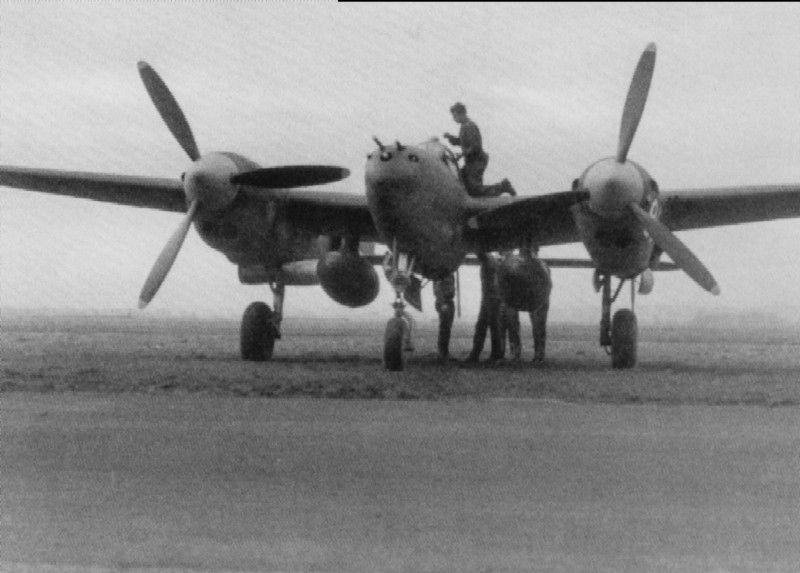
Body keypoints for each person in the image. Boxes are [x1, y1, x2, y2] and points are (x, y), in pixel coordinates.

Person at [444, 102, 516, 198]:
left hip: (476, 161)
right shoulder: (464, 126)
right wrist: (451, 138)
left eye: (455, 115)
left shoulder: (469, 126)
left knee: (475, 191)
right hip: (472, 162)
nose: (454, 118)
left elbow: (475, 146)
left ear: (461, 114)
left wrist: (461, 154)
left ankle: (503, 186)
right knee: (462, 181)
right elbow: (463, 142)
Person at [466, 252, 503, 363]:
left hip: (490, 298)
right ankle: (495, 354)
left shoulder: (488, 261)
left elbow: (492, 283)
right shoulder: (492, 261)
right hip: (492, 298)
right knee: (493, 326)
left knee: (482, 326)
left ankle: (476, 354)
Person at [433, 274, 456, 361]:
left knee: (447, 328)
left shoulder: (450, 274)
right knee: (445, 328)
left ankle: (444, 352)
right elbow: (437, 289)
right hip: (444, 302)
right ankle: (443, 353)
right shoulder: (439, 274)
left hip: (449, 301)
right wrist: (442, 303)